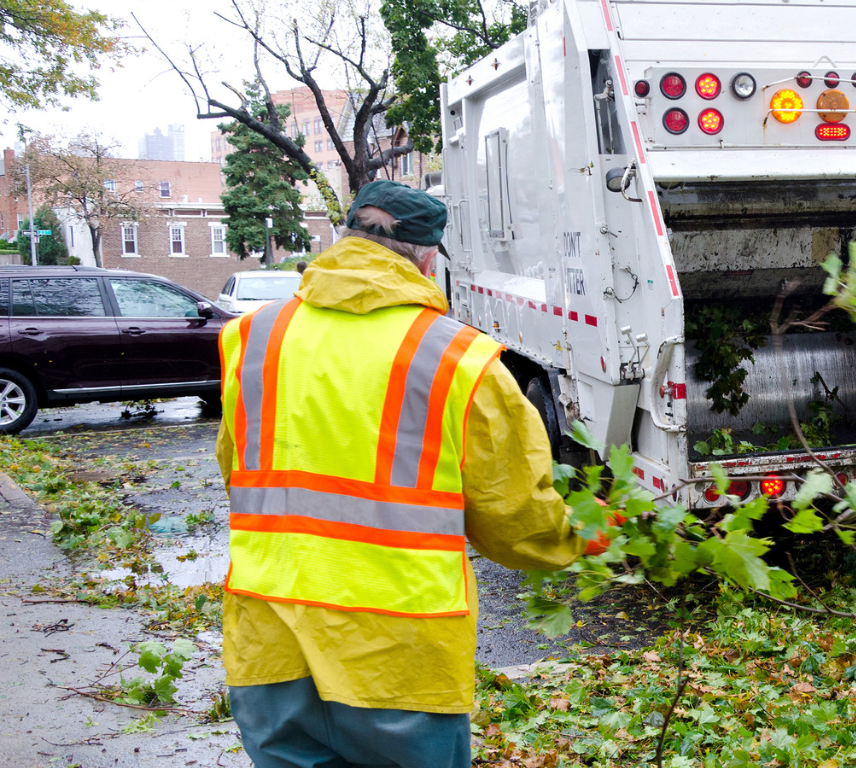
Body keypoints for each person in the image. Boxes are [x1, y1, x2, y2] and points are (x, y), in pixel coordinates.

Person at [216, 180, 586, 768]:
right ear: (426, 256)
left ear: (346, 237)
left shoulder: (253, 337)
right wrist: (587, 536)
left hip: (270, 637)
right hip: (397, 655)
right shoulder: (459, 359)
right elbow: (516, 522)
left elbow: (235, 466)